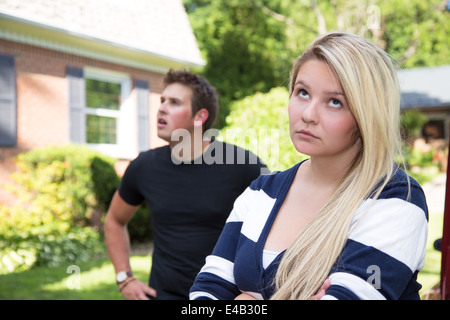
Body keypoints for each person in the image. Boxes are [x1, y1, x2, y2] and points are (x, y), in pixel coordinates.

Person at [190, 31, 428, 300]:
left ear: (367, 115)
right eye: (302, 92)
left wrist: (246, 298)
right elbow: (206, 293)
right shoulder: (261, 192)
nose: (308, 114)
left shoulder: (394, 199)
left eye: (335, 102)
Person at [105, 70, 267, 300]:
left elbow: (281, 224)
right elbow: (114, 220)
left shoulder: (243, 165)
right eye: (162, 100)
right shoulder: (143, 166)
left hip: (225, 297)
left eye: (174, 102)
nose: (161, 108)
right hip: (163, 294)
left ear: (199, 117)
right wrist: (125, 278)